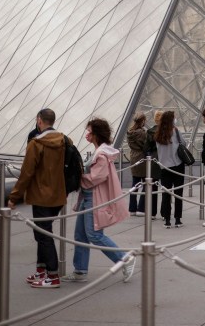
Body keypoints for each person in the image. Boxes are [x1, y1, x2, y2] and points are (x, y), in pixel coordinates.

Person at [63, 118, 133, 283]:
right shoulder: (102, 151)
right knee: (80, 234)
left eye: (89, 131)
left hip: (93, 197)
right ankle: (80, 270)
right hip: (89, 197)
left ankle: (124, 258)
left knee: (94, 234)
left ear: (96, 134)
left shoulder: (101, 153)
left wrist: (78, 178)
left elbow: (98, 176)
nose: (87, 134)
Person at [8, 108, 67, 289]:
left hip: (41, 195)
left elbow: (26, 173)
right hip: (58, 194)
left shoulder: (36, 143)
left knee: (43, 235)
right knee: (42, 233)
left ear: (39, 121)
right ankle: (41, 271)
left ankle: (52, 276)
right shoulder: (64, 140)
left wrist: (14, 197)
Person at [154, 110, 185, 228]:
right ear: (171, 120)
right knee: (178, 193)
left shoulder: (158, 134)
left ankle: (167, 220)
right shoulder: (175, 131)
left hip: (164, 167)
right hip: (177, 165)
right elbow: (183, 143)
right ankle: (177, 219)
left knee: (166, 194)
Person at [126, 112, 152, 217]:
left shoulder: (130, 132)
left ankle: (132, 208)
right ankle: (141, 208)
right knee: (146, 183)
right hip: (142, 157)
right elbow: (145, 145)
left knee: (135, 183)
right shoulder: (142, 133)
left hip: (133, 157)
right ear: (142, 121)